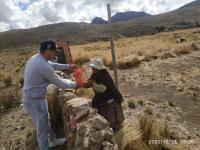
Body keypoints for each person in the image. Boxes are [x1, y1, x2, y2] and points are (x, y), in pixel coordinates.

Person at [22, 40, 79, 150]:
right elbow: (61, 83)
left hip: (37, 97)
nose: (55, 54)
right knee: (42, 129)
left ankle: (53, 141)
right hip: (33, 100)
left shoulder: (36, 58)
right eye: (54, 52)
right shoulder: (43, 66)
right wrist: (77, 84)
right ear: (48, 51)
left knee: (47, 120)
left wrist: (69, 66)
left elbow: (53, 65)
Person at [83, 58, 125, 131]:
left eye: (94, 68)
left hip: (110, 97)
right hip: (101, 97)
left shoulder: (104, 75)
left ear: (98, 68)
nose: (92, 69)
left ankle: (114, 128)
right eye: (92, 68)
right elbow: (91, 81)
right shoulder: (94, 74)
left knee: (113, 120)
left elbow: (103, 89)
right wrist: (88, 83)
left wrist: (92, 84)